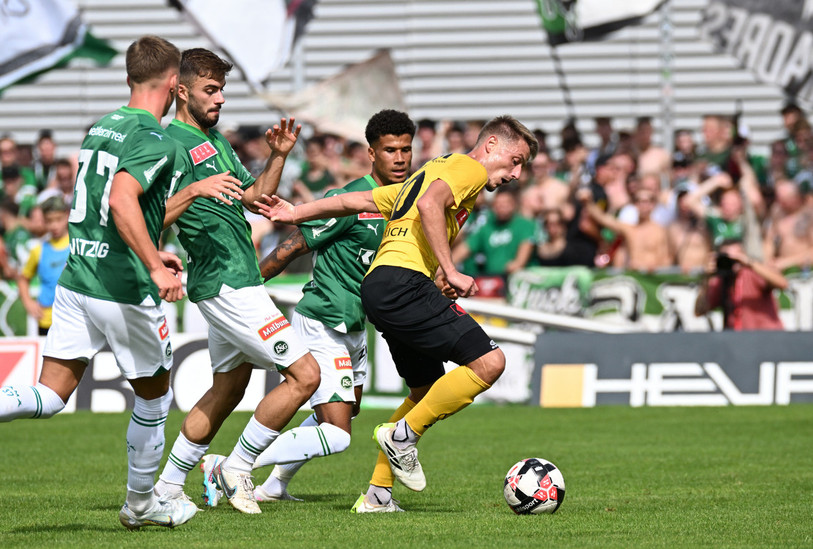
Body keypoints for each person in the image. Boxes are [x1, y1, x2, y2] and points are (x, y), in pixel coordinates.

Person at [254, 115, 538, 512]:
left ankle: (377, 495)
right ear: (491, 145)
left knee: (424, 392)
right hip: (402, 285)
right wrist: (451, 268)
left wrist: (296, 212)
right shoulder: (468, 169)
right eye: (515, 159)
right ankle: (401, 437)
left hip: (382, 288)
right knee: (491, 362)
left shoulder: (433, 169)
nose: (516, 173)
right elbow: (429, 204)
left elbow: (361, 200)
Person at [0, 35, 214, 530]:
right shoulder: (156, 138)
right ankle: (142, 505)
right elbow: (121, 202)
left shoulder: (103, 125)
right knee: (155, 396)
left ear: (128, 79)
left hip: (78, 278)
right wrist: (156, 266)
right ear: (175, 86)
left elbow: (106, 207)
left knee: (51, 395)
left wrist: (147, 247)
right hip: (121, 287)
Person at [154, 47, 320, 516]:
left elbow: (255, 198)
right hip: (226, 284)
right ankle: (239, 465)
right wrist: (192, 189)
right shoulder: (168, 145)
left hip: (237, 279)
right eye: (211, 89)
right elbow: (143, 216)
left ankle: (167, 485)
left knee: (230, 387)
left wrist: (278, 157)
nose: (221, 98)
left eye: (223, 89)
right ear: (181, 91)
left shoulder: (216, 141)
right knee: (305, 375)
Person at [245, 109, 416, 503]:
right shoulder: (348, 200)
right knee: (338, 434)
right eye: (390, 150)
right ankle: (234, 465)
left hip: (355, 324)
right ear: (372, 153)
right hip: (324, 320)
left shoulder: (406, 203)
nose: (400, 158)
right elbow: (291, 247)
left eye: (406, 149)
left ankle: (274, 485)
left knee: (346, 409)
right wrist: (249, 289)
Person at [452, 186, 536, 295]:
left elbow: (520, 261)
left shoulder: (525, 225)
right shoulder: (487, 227)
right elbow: (463, 250)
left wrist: (515, 265)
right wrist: (445, 269)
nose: (502, 207)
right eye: (498, 204)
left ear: (514, 204)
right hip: (492, 283)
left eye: (506, 203)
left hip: (518, 285)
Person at [694, 238, 787, 330]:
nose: (732, 262)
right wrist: (707, 278)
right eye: (727, 258)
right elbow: (699, 311)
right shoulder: (721, 280)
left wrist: (750, 263)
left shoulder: (753, 273)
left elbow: (783, 284)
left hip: (764, 336)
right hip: (736, 339)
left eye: (735, 257)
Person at [578, 186, 672, 272]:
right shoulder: (629, 229)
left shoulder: (660, 231)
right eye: (640, 201)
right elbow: (603, 219)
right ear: (635, 205)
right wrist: (588, 202)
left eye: (647, 202)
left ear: (653, 205)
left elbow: (666, 259)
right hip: (634, 277)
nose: (644, 206)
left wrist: (654, 268)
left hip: (653, 278)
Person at [17, 196, 70, 335]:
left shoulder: (77, 246)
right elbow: (23, 278)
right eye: (49, 221)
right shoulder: (38, 250)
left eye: (58, 219)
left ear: (67, 215)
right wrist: (28, 302)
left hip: (72, 317)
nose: (54, 225)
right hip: (46, 321)